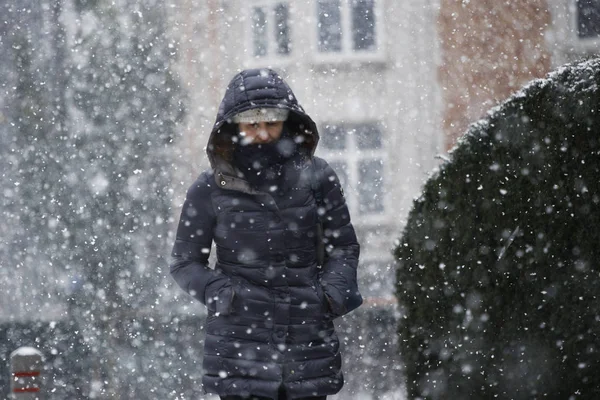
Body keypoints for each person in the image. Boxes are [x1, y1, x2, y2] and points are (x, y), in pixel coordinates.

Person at [170, 68, 362, 400]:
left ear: (287, 122)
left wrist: (328, 296)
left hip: (308, 346)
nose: (262, 134)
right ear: (234, 127)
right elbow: (185, 263)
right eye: (252, 124)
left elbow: (343, 248)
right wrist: (226, 295)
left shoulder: (318, 177)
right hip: (238, 348)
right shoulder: (209, 188)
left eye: (271, 123)